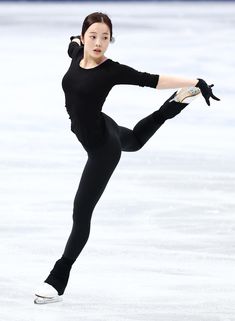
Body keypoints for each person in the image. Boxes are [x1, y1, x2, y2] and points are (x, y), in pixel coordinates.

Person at [34, 12, 219, 304]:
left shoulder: (111, 70)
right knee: (133, 140)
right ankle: (177, 104)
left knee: (81, 212)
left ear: (111, 41)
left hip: (101, 147)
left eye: (105, 38)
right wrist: (74, 40)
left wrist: (195, 79)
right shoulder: (77, 52)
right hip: (101, 125)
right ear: (83, 38)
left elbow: (151, 79)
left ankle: (58, 277)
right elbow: (71, 44)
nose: (98, 43)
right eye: (93, 36)